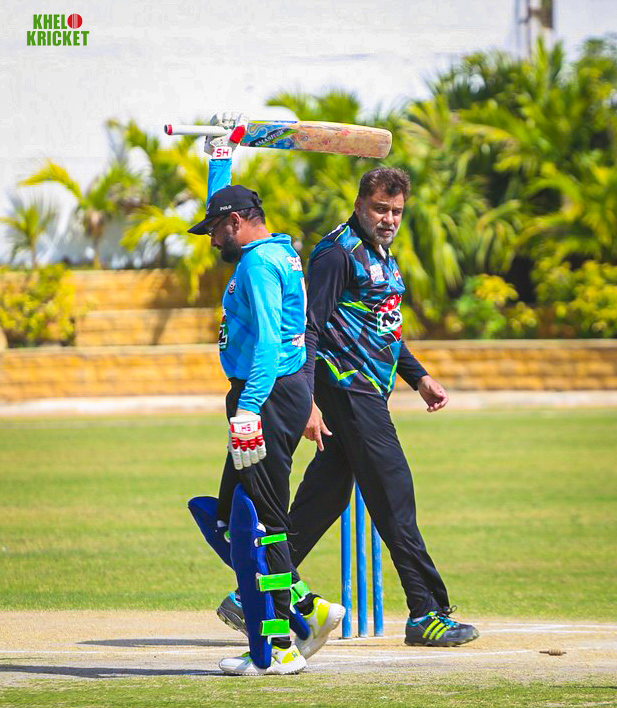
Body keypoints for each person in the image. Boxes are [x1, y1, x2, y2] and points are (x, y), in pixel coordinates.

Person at [287, 166, 480, 647]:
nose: (388, 218)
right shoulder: (337, 253)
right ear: (359, 205)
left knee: (324, 498)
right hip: (345, 388)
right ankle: (426, 613)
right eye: (379, 209)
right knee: (394, 494)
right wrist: (308, 401)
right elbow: (309, 328)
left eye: (396, 211)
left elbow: (384, 328)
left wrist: (419, 377)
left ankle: (256, 588)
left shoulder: (381, 254)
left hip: (368, 390)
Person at [188, 116, 344, 677]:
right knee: (233, 519)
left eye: (216, 229)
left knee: (265, 522)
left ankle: (279, 646)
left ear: (237, 223)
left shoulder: (257, 265)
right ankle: (305, 607)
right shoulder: (276, 251)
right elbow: (226, 208)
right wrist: (219, 157)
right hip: (279, 390)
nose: (213, 240)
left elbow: (270, 343)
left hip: (267, 394)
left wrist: (250, 410)